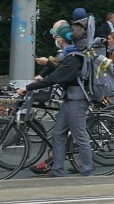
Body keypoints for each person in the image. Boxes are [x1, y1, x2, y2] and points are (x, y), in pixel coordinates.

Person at [17, 21, 93, 177]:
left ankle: (87, 171)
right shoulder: (68, 55)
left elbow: (55, 77)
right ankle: (57, 170)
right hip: (69, 99)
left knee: (80, 136)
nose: (55, 39)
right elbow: (56, 72)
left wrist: (28, 87)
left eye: (57, 37)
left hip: (77, 101)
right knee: (58, 133)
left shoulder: (73, 58)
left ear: (62, 39)